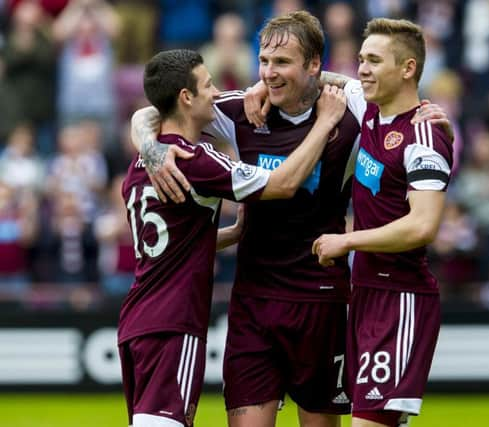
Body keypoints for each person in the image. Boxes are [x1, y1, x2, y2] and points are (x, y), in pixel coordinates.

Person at [130, 11, 451, 427]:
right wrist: (148, 145)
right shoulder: (240, 113)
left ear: (314, 64)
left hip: (322, 299)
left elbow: (396, 111)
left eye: (281, 63)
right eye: (263, 61)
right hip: (253, 303)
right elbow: (160, 109)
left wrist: (437, 126)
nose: (268, 73)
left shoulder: (352, 112)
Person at [119, 48, 347, 427]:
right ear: (186, 98)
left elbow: (176, 244)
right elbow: (283, 183)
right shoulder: (196, 160)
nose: (215, 93)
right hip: (174, 321)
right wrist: (325, 123)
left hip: (137, 321)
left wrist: (234, 233)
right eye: (208, 85)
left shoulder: (141, 164)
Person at [312, 18, 454, 427]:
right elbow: (323, 76)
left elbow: (423, 226)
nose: (362, 69)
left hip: (401, 296)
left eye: (374, 60)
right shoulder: (367, 106)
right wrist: (264, 84)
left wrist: (348, 242)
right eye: (361, 59)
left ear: (408, 69)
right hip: (365, 294)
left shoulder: (425, 136)